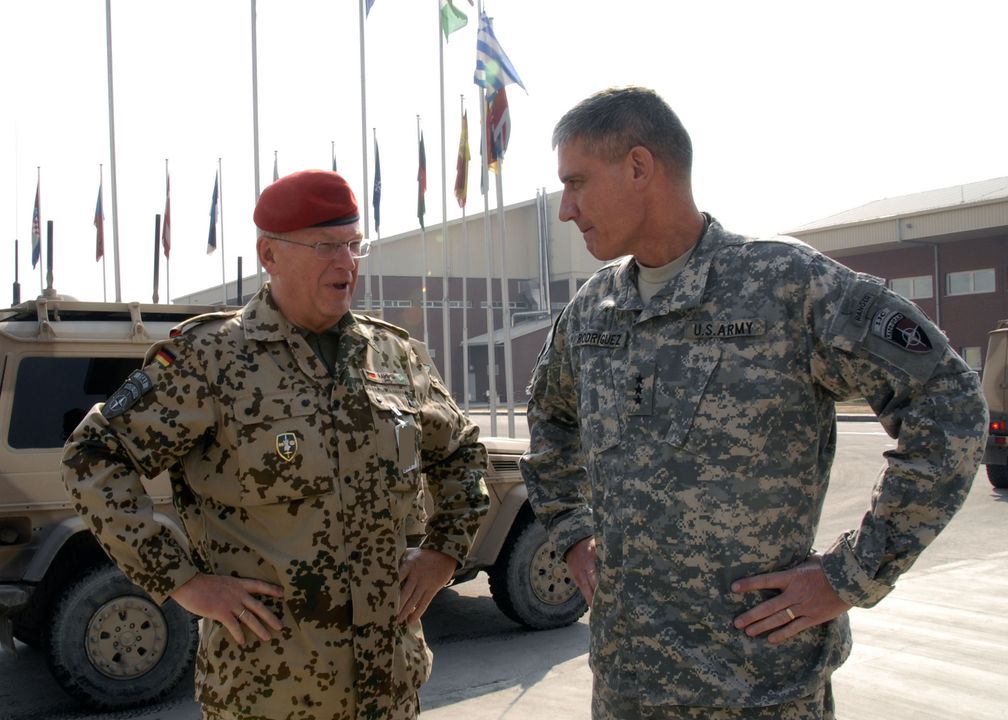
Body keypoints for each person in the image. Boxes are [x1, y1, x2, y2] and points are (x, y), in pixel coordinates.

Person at [519, 87, 987, 719]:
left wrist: (851, 575)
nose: (567, 210)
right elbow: (550, 419)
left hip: (759, 690)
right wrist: (575, 534)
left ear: (638, 166)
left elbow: (950, 402)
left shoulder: (787, 287)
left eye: (576, 183)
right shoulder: (594, 310)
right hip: (628, 683)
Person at [61, 169, 490, 720]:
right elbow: (93, 456)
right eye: (326, 247)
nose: (347, 263)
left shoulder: (393, 356)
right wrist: (185, 583)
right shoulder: (210, 359)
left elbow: (460, 452)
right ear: (269, 254)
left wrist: (443, 552)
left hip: (389, 688)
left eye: (355, 244)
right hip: (266, 694)